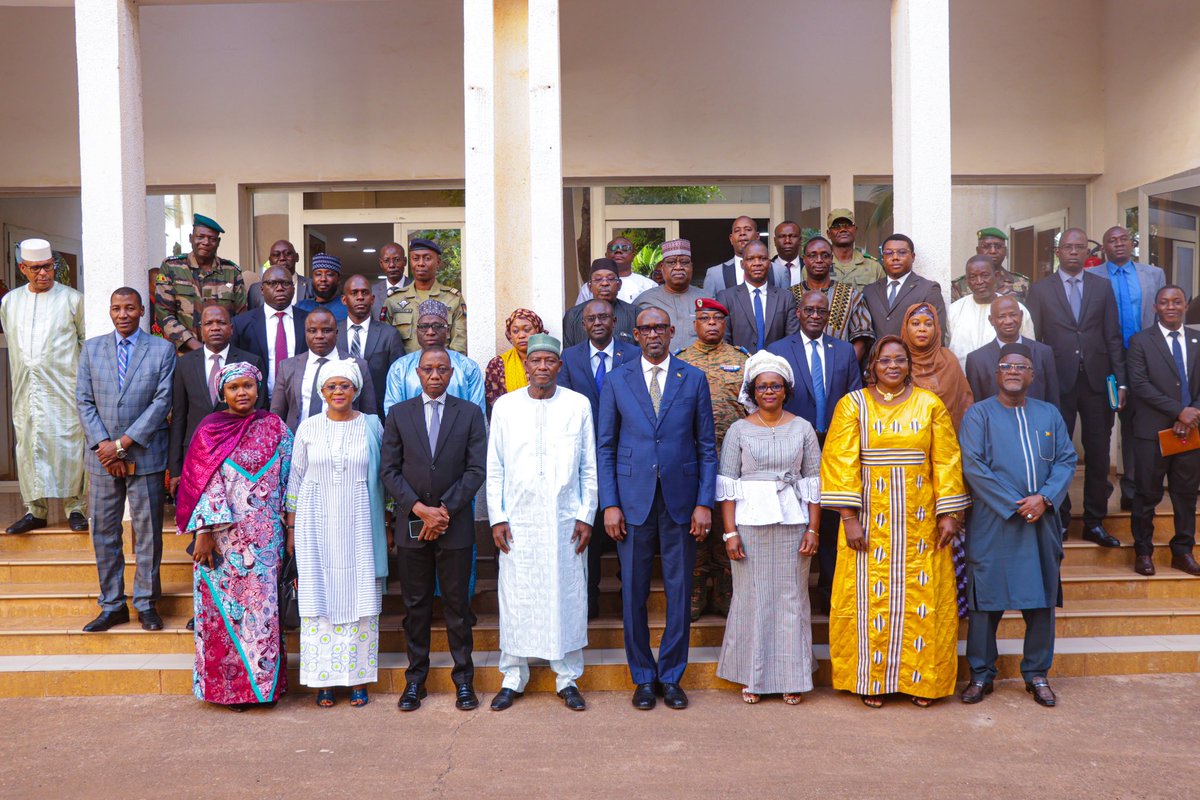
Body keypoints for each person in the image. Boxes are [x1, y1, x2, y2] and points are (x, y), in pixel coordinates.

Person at [820, 336, 970, 708]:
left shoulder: (929, 404)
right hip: (870, 524)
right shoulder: (853, 405)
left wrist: (949, 513)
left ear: (909, 365)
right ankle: (872, 680)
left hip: (921, 525)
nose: (892, 366)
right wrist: (849, 518)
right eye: (884, 360)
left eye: (899, 360)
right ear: (872, 365)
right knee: (870, 601)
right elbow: (840, 461)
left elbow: (947, 459)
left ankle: (922, 683)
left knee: (922, 598)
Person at [598, 307, 717, 711]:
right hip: (631, 502)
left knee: (679, 591)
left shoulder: (693, 378)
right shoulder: (617, 380)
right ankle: (643, 678)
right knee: (632, 591)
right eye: (646, 328)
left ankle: (671, 676)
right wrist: (609, 503)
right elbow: (606, 447)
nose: (653, 334)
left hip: (681, 502)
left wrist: (704, 502)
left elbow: (706, 446)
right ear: (635, 334)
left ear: (671, 331)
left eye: (660, 328)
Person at [959, 344, 1076, 708]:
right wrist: (1016, 504)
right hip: (994, 522)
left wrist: (1044, 498)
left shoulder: (1049, 414)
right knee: (985, 602)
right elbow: (973, 465)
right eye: (1006, 365)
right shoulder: (978, 414)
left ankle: (1037, 673)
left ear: (1032, 375)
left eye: (1021, 366)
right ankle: (981, 675)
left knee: (1040, 600)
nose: (1013, 371)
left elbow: (1066, 459)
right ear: (996, 373)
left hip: (1041, 522)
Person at [487, 334, 597, 712]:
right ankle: (513, 677)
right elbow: (495, 467)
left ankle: (567, 679)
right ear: (526, 365)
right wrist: (496, 517)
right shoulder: (505, 406)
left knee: (566, 594)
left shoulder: (578, 405)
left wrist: (587, 515)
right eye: (536, 361)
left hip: (565, 518)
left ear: (559, 367)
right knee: (515, 596)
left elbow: (588, 466)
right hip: (517, 519)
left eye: (551, 361)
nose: (543, 367)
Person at [176, 362, 292, 710]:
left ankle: (264, 688)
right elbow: (202, 484)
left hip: (266, 540)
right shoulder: (209, 429)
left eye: (248, 386)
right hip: (222, 542)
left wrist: (290, 527)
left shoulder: (275, 427)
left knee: (264, 614)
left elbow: (290, 479)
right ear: (221, 393)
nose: (242, 393)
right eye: (234, 387)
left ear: (259, 389)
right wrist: (204, 533)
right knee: (224, 614)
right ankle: (231, 691)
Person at [382, 347, 488, 712]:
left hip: (453, 524)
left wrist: (443, 511)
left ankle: (464, 681)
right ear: (417, 373)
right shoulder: (399, 414)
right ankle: (416, 682)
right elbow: (389, 471)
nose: (435, 375)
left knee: (458, 605)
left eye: (442, 369)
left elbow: (476, 470)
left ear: (450, 372)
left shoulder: (470, 413)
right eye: (428, 369)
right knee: (416, 605)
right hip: (412, 523)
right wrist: (419, 509)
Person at [716, 351, 821, 704]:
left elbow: (813, 483)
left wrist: (813, 530)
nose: (769, 392)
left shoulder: (803, 428)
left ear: (785, 390)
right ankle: (753, 675)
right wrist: (730, 532)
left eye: (775, 386)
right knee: (753, 597)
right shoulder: (738, 430)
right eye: (762, 387)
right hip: (749, 524)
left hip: (793, 523)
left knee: (791, 597)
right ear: (753, 390)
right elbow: (727, 484)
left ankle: (793, 676)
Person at [286, 359, 388, 708]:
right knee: (319, 600)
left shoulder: (373, 427)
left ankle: (358, 679)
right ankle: (323, 682)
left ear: (356, 390)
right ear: (322, 392)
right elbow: (295, 480)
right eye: (331, 386)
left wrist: (387, 523)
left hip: (361, 524)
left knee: (361, 599)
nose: (338, 392)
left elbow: (386, 479)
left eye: (345, 385)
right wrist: (291, 526)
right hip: (315, 525)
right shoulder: (308, 429)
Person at [75, 288, 175, 633]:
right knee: (103, 530)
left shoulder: (162, 350)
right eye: (116, 308)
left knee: (147, 532)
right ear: (109, 311)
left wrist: (122, 444)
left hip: (143, 454)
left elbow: (162, 403)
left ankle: (146, 603)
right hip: (102, 459)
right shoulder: (91, 349)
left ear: (141, 310)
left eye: (129, 308)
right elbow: (84, 401)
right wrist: (105, 444)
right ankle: (113, 604)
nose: (123, 314)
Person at [1026, 228, 1126, 547]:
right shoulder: (1040, 290)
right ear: (1058, 252)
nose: (1073, 252)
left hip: (1098, 380)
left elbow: (1113, 335)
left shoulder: (1102, 287)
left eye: (1079, 247)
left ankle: (1095, 522)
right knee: (1057, 453)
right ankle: (1061, 518)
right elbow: (1034, 341)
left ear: (1087, 252)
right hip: (1057, 381)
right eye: (1067, 247)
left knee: (1098, 453)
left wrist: (1121, 381)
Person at [767, 289, 862, 613]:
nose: (815, 315)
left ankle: (830, 592)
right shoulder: (779, 350)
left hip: (836, 445)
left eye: (821, 311)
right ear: (799, 312)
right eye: (809, 310)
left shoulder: (845, 351)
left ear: (828, 315)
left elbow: (854, 399)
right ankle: (791, 594)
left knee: (833, 516)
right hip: (793, 446)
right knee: (795, 515)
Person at [558, 298, 640, 619]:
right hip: (584, 460)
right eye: (591, 318)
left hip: (627, 455)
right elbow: (565, 407)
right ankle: (587, 605)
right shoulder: (569, 358)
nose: (598, 323)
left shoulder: (632, 355)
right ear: (583, 324)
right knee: (588, 532)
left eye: (604, 316)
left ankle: (628, 604)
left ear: (614, 320)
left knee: (627, 535)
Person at [0, 238, 88, 534]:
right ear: (23, 268)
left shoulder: (73, 299)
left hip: (65, 388)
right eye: (36, 268)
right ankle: (35, 510)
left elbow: (84, 342)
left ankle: (75, 508)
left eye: (48, 267)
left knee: (69, 443)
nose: (43, 274)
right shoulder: (9, 302)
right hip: (26, 390)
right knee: (29, 444)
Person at [675, 297, 749, 620]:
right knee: (695, 522)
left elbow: (753, 406)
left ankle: (724, 589)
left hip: (733, 459)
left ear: (725, 324)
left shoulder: (742, 360)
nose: (711, 325)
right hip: (691, 458)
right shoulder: (680, 361)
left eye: (717, 320)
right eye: (705, 319)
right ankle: (695, 589)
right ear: (695, 324)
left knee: (726, 521)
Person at [1088, 225, 1166, 510]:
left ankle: (1134, 491)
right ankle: (1100, 494)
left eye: (1123, 239)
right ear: (1104, 247)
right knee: (1103, 423)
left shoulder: (1153, 275)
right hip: (1106, 360)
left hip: (1142, 359)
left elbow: (1159, 316)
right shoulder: (1091, 277)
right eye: (1112, 240)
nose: (1118, 244)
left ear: (1132, 243)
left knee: (1138, 424)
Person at [1126, 286, 1200, 577]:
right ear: (1155, 307)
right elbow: (1140, 385)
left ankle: (1183, 551)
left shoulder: (1197, 340)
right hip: (1151, 433)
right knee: (1146, 493)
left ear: (1185, 306)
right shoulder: (1141, 341)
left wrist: (1191, 413)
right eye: (1164, 302)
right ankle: (1143, 551)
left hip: (1190, 432)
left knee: (1186, 494)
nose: (1171, 307)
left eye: (1177, 302)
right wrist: (1177, 411)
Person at [271, 307, 378, 431]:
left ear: (336, 333)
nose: (319, 336)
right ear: (305, 333)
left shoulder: (358, 366)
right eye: (312, 331)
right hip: (298, 442)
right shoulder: (288, 367)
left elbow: (369, 414)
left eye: (326, 330)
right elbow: (276, 415)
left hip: (345, 441)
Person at [154, 214, 247, 352]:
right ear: (191, 238)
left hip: (223, 354)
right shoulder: (172, 267)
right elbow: (164, 313)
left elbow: (241, 317)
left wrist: (220, 349)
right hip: (184, 354)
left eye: (212, 239)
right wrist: (195, 346)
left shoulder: (231, 272)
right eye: (200, 237)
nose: (205, 242)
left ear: (218, 242)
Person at [383, 300, 485, 417]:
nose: (430, 332)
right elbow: (393, 414)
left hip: (458, 434)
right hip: (411, 434)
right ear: (417, 331)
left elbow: (477, 414)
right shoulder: (400, 368)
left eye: (437, 326)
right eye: (424, 326)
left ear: (447, 331)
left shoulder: (468, 367)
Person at [790, 235, 873, 360]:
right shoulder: (789, 295)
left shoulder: (852, 295)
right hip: (797, 367)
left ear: (831, 259)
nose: (819, 260)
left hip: (839, 365)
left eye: (825, 255)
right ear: (804, 259)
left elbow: (862, 339)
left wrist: (844, 367)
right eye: (813, 255)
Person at [233, 265, 309, 400]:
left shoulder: (308, 321)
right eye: (272, 283)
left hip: (299, 400)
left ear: (293, 288)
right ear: (262, 289)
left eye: (286, 283)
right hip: (257, 401)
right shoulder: (241, 324)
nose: (280, 288)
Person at [965, 296, 1058, 405]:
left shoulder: (1043, 353)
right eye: (1001, 316)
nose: (1008, 321)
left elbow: (1053, 400)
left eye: (1013, 315)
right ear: (991, 320)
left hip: (1038, 421)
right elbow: (977, 406)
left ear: (1022, 315)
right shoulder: (977, 360)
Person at [947, 255, 1034, 370]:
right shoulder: (954, 310)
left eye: (985, 275)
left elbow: (1030, 351)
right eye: (973, 277)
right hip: (962, 383)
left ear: (996, 276)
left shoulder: (1016, 309)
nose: (979, 282)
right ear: (967, 281)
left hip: (1003, 384)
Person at [337, 274, 405, 418]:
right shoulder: (333, 333)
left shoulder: (389, 335)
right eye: (354, 293)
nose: (360, 297)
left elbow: (399, 380)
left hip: (379, 415)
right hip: (339, 415)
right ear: (344, 299)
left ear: (373, 299)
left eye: (365, 292)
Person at [384, 238, 467, 354]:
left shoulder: (453, 299)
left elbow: (459, 345)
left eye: (427, 258)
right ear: (410, 262)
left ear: (438, 263)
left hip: (443, 369)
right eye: (415, 258)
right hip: (405, 370)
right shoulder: (394, 300)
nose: (421, 263)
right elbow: (386, 346)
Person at [716, 239, 800, 353]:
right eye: (751, 259)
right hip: (739, 367)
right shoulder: (726, 297)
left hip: (776, 367)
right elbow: (723, 340)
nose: (757, 263)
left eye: (763, 258)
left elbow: (792, 341)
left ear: (770, 264)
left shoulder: (786, 298)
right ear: (742, 264)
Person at [861, 234, 947, 342]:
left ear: (913, 257)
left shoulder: (928, 289)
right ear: (882, 258)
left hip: (912, 358)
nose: (895, 257)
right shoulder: (869, 291)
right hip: (877, 358)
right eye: (889, 253)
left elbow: (937, 333)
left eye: (902, 252)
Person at [634, 238, 712, 352]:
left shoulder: (707, 299)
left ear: (691, 267)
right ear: (662, 268)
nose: (678, 267)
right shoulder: (645, 300)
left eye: (684, 262)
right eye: (671, 262)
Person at [562, 258, 637, 348]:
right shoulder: (573, 315)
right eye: (598, 279)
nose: (604, 283)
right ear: (590, 286)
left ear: (619, 285)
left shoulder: (635, 314)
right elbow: (568, 354)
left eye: (610, 278)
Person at [702, 216, 788, 294]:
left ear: (757, 236)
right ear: (731, 239)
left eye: (748, 229)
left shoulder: (779, 272)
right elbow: (709, 309)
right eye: (737, 230)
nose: (742, 233)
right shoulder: (715, 274)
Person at [484, 308, 546, 410]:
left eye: (527, 330)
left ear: (538, 330)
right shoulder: (497, 365)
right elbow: (495, 407)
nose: (521, 335)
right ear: (510, 335)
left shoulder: (549, 362)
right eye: (515, 331)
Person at [950, 228, 1030, 303]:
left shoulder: (1022, 283)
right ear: (978, 250)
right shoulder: (960, 285)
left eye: (998, 246)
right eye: (986, 246)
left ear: (1005, 251)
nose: (993, 251)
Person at [574, 237, 658, 304]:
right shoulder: (590, 286)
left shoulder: (649, 285)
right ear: (606, 255)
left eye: (625, 248)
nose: (618, 251)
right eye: (613, 248)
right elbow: (579, 313)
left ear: (633, 256)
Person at [826, 208, 884, 291]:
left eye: (848, 225)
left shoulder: (874, 267)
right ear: (828, 234)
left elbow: (883, 299)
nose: (842, 230)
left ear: (855, 230)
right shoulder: (818, 266)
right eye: (836, 227)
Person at [247, 239, 313, 310]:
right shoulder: (255, 289)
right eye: (276, 255)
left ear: (297, 257)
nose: (282, 258)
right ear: (270, 261)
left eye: (288, 253)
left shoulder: (311, 285)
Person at [296, 253, 349, 322]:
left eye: (329, 274)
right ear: (313, 278)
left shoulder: (347, 306)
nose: (323, 279)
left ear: (338, 279)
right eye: (318, 274)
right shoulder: (301, 306)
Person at [371, 242, 412, 321]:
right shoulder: (373, 292)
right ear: (381, 263)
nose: (392, 265)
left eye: (397, 260)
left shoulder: (416, 287)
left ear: (405, 261)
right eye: (386, 261)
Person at [771, 220, 805, 286]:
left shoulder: (808, 268)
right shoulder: (767, 268)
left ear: (800, 240)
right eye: (782, 236)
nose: (787, 241)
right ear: (775, 241)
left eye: (792, 236)